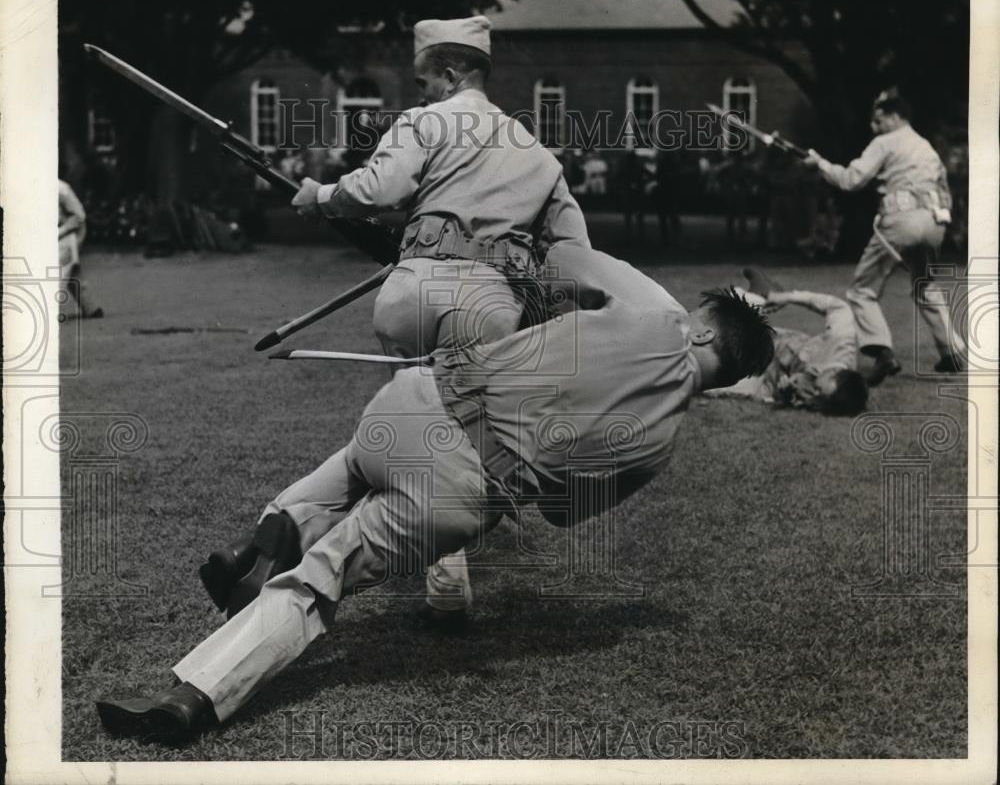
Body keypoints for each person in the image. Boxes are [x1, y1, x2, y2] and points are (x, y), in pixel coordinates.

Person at [96, 243, 775, 743]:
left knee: (353, 468)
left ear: (707, 328)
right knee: (319, 581)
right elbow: (561, 512)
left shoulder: (658, 314)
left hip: (419, 407)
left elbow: (565, 255)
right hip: (463, 497)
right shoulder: (660, 448)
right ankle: (193, 696)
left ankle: (277, 526)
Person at [223, 16, 591, 630]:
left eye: (423, 82)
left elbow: (378, 187)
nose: (418, 94)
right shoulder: (539, 154)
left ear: (450, 75)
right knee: (455, 445)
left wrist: (319, 196)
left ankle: (285, 529)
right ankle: (436, 585)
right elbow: (577, 255)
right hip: (489, 310)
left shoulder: (427, 121)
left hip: (410, 296)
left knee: (410, 436)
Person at [804, 89, 965, 382]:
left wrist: (821, 165)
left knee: (861, 289)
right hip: (935, 222)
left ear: (894, 117)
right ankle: (951, 351)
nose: (873, 127)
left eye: (878, 120)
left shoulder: (884, 143)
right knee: (924, 283)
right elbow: (944, 189)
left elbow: (852, 180)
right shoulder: (926, 146)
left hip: (901, 220)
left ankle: (882, 352)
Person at [708, 268, 868, 416]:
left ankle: (751, 300)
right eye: (818, 390)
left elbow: (795, 399)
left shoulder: (825, 398)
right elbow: (839, 307)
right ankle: (757, 297)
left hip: (764, 380)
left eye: (819, 398)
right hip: (772, 343)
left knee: (710, 381)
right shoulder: (841, 342)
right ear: (833, 373)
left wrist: (785, 395)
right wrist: (785, 297)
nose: (814, 393)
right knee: (724, 333)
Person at [58, 179, 103, 319]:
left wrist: (61, 230)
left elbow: (80, 216)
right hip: (59, 233)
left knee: (56, 270)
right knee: (71, 272)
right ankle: (92, 309)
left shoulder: (61, 189)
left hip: (72, 233)